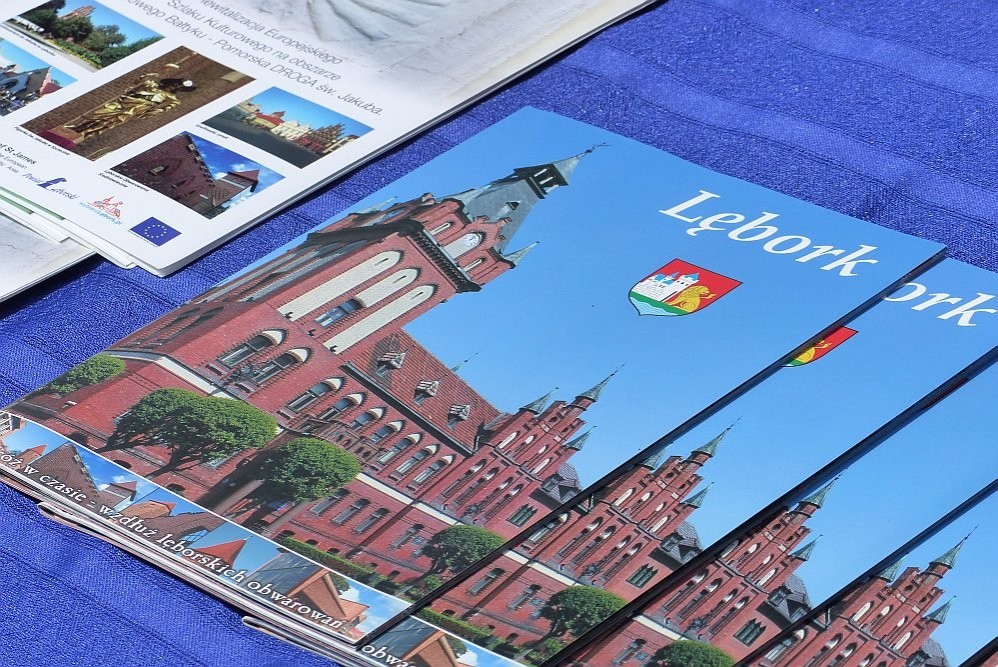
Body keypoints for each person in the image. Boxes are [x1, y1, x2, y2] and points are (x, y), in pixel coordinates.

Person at [64, 72, 197, 140]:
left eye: (178, 87)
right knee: (100, 113)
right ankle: (78, 127)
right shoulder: (153, 86)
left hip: (136, 108)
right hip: (126, 101)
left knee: (109, 121)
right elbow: (139, 81)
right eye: (175, 84)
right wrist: (147, 76)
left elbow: (164, 109)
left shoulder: (173, 99)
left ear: (180, 90)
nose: (175, 87)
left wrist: (155, 111)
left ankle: (84, 133)